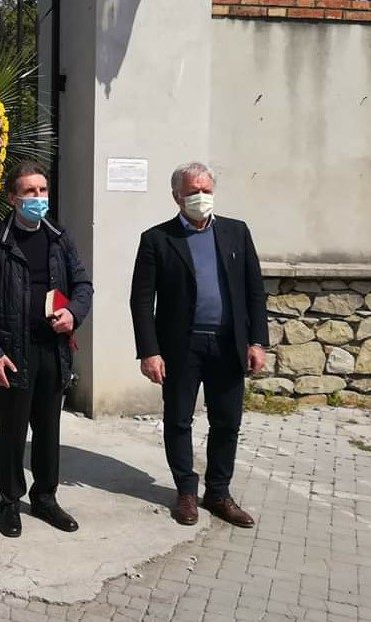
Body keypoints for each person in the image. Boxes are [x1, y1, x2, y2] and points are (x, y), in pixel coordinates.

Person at [129, 161, 268, 528]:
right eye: (193, 191)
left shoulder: (237, 233)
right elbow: (141, 301)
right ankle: (186, 492)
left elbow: (255, 292)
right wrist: (149, 351)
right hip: (180, 348)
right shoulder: (157, 239)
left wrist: (257, 341)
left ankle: (219, 493)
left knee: (227, 422)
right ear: (177, 196)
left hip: (227, 346)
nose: (201, 197)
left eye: (206, 190)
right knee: (178, 420)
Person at [0, 160, 93, 538]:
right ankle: (8, 500)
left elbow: (83, 285)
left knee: (48, 428)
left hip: (52, 350)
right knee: (11, 430)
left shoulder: (59, 238)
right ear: (12, 198)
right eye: (29, 192)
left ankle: (45, 497)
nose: (37, 198)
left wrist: (73, 313)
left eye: (42, 191)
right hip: (12, 353)